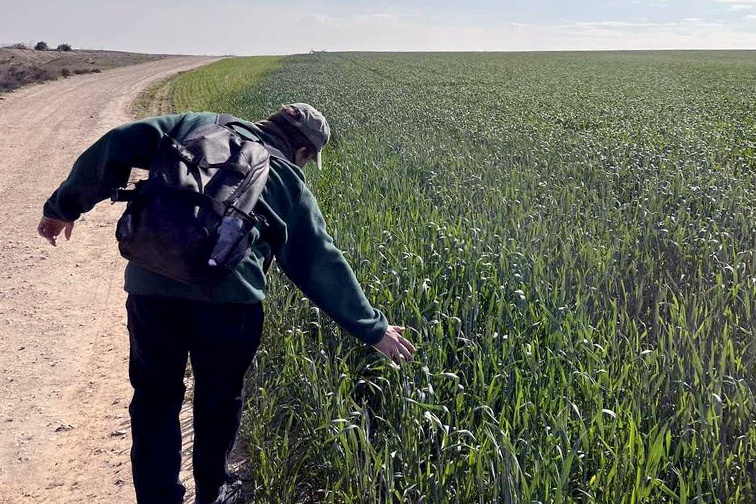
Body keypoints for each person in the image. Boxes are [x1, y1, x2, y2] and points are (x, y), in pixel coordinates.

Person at [37, 103, 417, 504]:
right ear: (303, 152)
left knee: (154, 398)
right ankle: (214, 490)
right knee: (218, 398)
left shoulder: (192, 125)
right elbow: (318, 260)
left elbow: (115, 144)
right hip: (229, 301)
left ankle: (158, 497)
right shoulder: (285, 175)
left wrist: (64, 207)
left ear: (270, 121)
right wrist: (372, 328)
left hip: (152, 287)